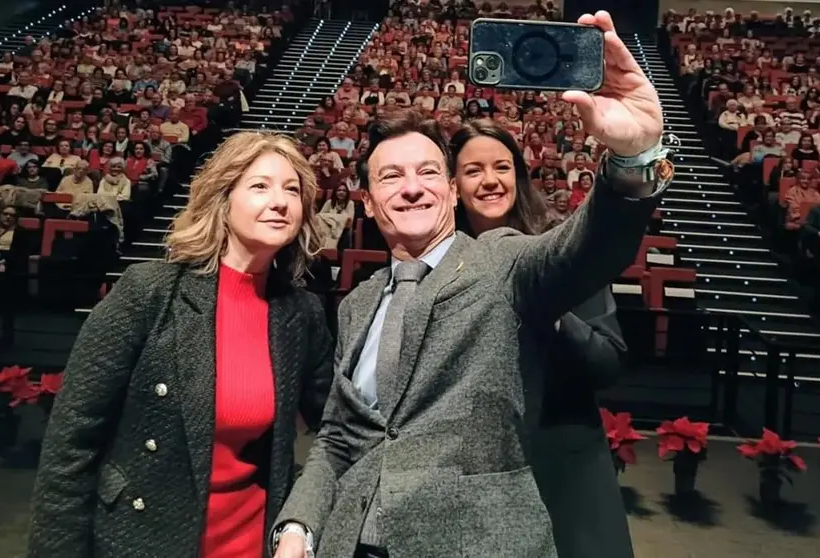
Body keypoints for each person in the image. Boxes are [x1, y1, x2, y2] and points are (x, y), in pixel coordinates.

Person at [273, 11, 667, 558]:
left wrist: (632, 156)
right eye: (391, 176)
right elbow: (338, 439)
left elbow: (588, 244)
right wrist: (297, 527)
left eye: (429, 172)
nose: (412, 189)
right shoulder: (357, 305)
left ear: (452, 194)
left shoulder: (500, 260)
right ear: (367, 200)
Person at [28, 132, 335, 557]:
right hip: (143, 537)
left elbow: (336, 430)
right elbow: (71, 442)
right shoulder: (148, 292)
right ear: (223, 200)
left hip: (252, 542)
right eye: (260, 186)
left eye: (293, 190)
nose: (280, 201)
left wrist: (301, 520)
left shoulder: (302, 312)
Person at [448, 118, 633, 558]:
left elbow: (608, 363)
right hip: (467, 469)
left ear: (519, 175)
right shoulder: (441, 261)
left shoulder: (564, 251)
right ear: (453, 184)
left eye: (502, 167)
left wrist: (549, 311)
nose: (490, 180)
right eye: (473, 171)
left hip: (561, 464)